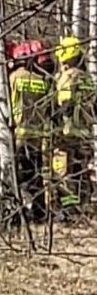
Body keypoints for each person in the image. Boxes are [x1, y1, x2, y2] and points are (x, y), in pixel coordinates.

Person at [0, 40, 52, 220]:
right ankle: (39, 212)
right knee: (34, 176)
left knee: (8, 173)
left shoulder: (11, 79)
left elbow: (2, 107)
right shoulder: (42, 82)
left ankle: (8, 211)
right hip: (35, 137)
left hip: (14, 135)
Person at [51, 35, 95, 217]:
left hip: (68, 132)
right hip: (85, 132)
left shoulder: (68, 77)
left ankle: (69, 208)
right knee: (81, 171)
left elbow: (65, 105)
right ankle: (83, 205)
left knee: (64, 173)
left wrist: (53, 120)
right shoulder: (87, 78)